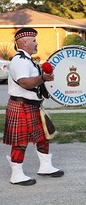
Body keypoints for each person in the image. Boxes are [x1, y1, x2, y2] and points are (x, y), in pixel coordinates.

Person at [3, 28, 64, 186]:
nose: (37, 43)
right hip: (20, 105)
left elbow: (34, 82)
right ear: (24, 42)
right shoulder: (20, 61)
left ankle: (45, 166)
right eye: (34, 40)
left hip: (32, 106)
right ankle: (16, 174)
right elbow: (24, 82)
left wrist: (43, 79)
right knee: (20, 141)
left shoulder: (28, 60)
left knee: (43, 136)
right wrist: (43, 78)